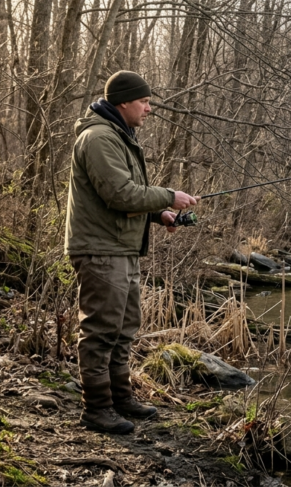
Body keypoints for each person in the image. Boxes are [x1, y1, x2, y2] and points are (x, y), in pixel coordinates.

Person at [64, 71, 198, 434]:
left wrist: (160, 213)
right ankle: (96, 409)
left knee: (124, 330)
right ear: (123, 101)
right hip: (100, 249)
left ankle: (120, 398)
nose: (149, 108)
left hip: (120, 248)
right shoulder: (98, 138)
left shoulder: (119, 136)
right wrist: (170, 195)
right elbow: (120, 195)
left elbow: (128, 193)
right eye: (144, 101)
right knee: (101, 331)